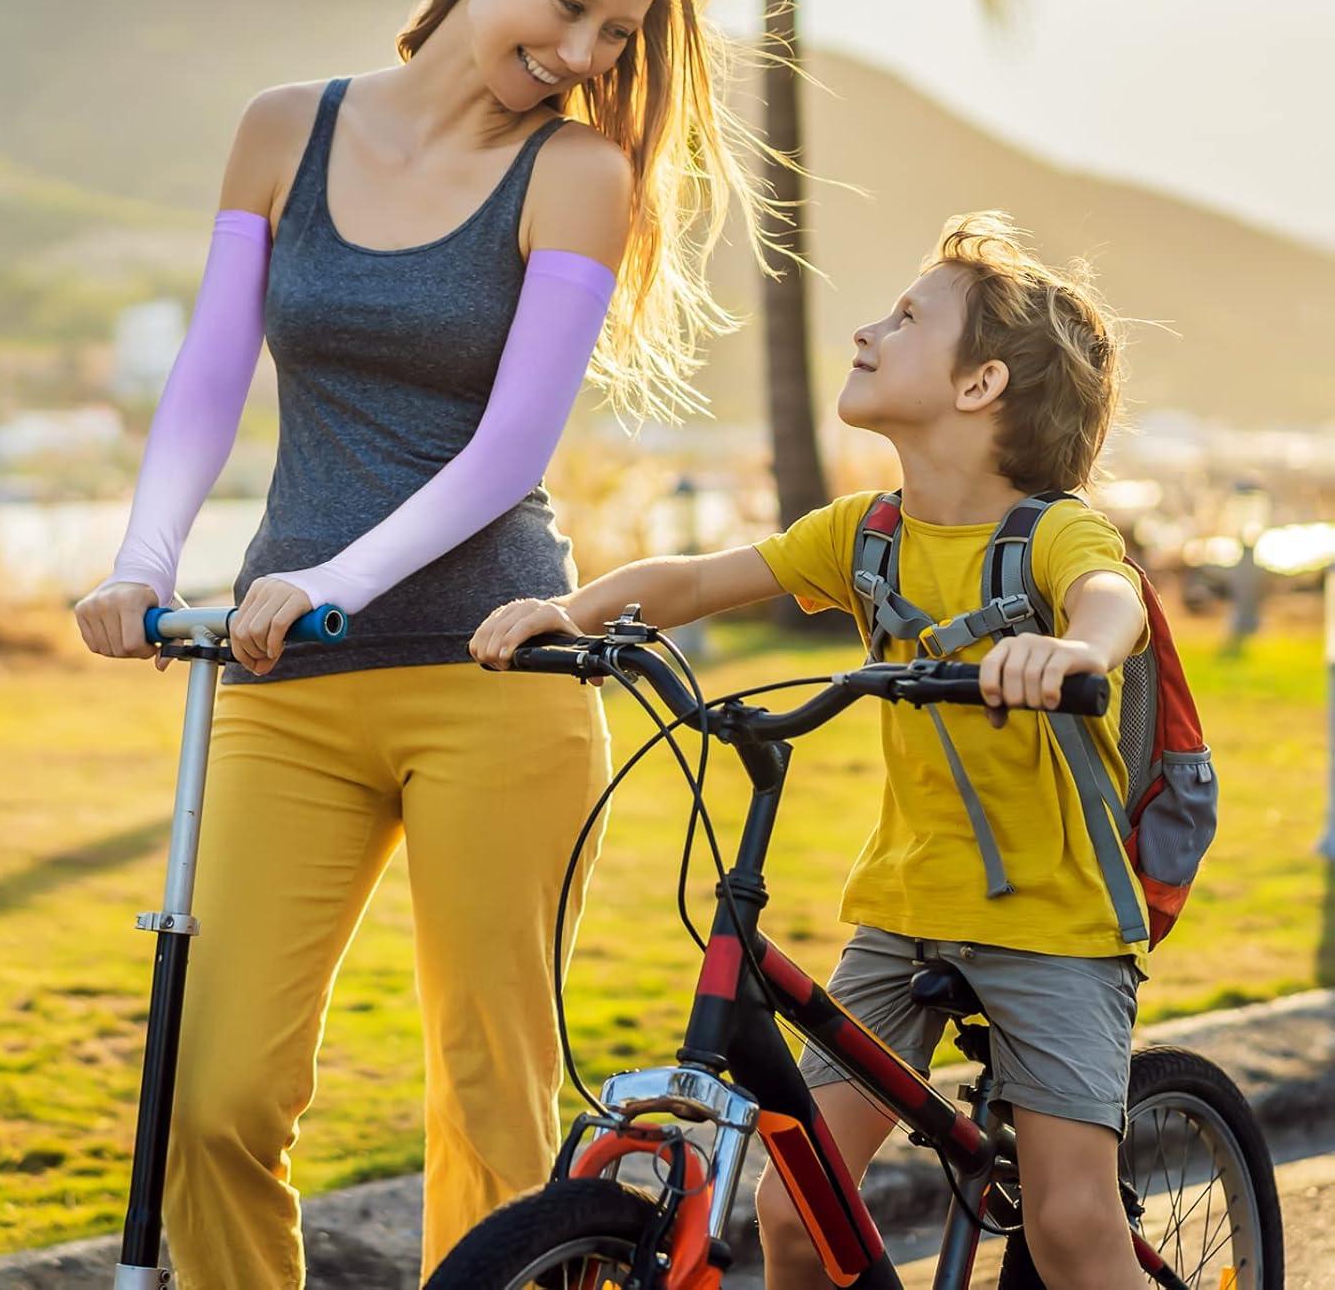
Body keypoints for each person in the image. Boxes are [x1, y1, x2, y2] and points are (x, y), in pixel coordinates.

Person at [74, 0, 799, 1289]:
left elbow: (507, 457)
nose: (584, 49)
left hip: (498, 679)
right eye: (569, 3)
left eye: (618, 31)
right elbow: (213, 378)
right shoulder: (286, 128)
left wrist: (336, 577)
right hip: (289, 683)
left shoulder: (577, 173)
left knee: (487, 1111)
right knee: (214, 1102)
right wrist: (144, 560)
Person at [472, 212, 1152, 1290]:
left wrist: (1074, 651)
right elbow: (695, 581)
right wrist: (573, 609)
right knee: (796, 1210)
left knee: (1070, 1225)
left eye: (908, 317)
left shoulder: (1049, 535)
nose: (869, 331)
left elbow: (1114, 597)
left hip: (1055, 924)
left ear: (978, 386)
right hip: (906, 909)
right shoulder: (867, 533)